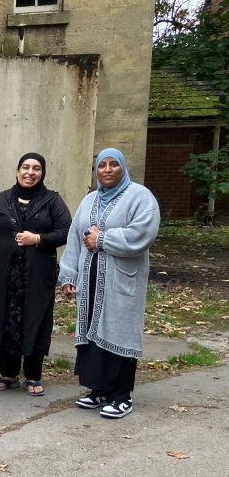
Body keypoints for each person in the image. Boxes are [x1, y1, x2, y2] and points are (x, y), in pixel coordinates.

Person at [59, 148, 160, 418]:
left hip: (120, 281)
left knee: (118, 332)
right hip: (89, 279)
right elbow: (74, 238)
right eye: (101, 165)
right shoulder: (89, 199)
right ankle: (97, 390)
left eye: (113, 164)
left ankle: (121, 396)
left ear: (123, 168)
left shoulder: (140, 197)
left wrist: (102, 239)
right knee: (91, 333)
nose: (107, 169)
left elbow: (142, 234)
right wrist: (69, 275)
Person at [0, 152, 71, 396]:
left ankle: (33, 375)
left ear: (42, 173)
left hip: (37, 278)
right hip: (5, 277)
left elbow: (67, 230)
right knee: (6, 322)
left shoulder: (52, 201)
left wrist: (38, 238)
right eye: (25, 167)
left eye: (36, 168)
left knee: (35, 322)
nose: (30, 172)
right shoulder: (1, 201)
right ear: (17, 172)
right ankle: (7, 374)